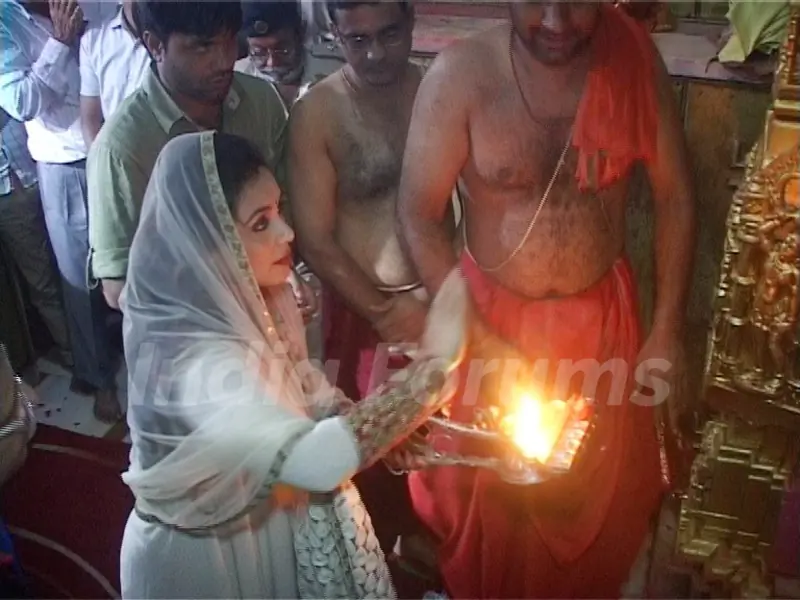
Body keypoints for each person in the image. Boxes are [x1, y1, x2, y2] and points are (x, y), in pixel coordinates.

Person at [397, 2, 696, 597]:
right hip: (490, 326)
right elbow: (418, 213)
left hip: (602, 325)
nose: (556, 22)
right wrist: (473, 332)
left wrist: (667, 330)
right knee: (494, 516)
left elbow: (676, 197)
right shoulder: (459, 78)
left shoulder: (632, 62)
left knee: (603, 505)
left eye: (577, 1)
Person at [119, 131, 466, 599]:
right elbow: (311, 462)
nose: (287, 233)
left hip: (265, 523)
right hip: (204, 561)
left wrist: (379, 428)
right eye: (261, 223)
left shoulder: (264, 300)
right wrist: (434, 370)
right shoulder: (192, 363)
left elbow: (304, 390)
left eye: (279, 210)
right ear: (208, 246)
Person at [288, 0, 456, 554]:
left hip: (441, 308)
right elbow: (315, 238)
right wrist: (386, 312)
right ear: (334, 34)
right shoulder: (318, 113)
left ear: (412, 24)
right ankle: (375, 570)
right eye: (357, 40)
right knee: (373, 462)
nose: (376, 53)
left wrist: (452, 298)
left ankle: (433, 563)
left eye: (389, 34)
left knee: (446, 459)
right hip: (364, 316)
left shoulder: (438, 91)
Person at [87, 0, 287, 315]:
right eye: (203, 47)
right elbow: (118, 288)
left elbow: (287, 210)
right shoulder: (122, 149)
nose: (224, 61)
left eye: (228, 41)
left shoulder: (261, 101)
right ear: (155, 45)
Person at [0, 0, 120, 422]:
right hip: (63, 158)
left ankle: (142, 353)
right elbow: (22, 101)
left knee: (129, 257)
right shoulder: (4, 20)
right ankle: (99, 379)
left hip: (115, 139)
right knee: (78, 278)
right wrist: (60, 42)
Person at [0, 111, 71, 366]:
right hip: (10, 194)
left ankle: (94, 340)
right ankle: (74, 353)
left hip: (44, 165)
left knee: (73, 262)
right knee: (42, 279)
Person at [79, 0, 150, 147]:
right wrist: (99, 158)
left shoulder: (176, 34)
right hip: (117, 154)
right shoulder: (94, 38)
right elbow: (90, 119)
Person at [236, 1, 314, 113]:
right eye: (259, 53)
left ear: (300, 35)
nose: (272, 62)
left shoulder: (332, 69)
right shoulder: (236, 81)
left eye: (282, 50)